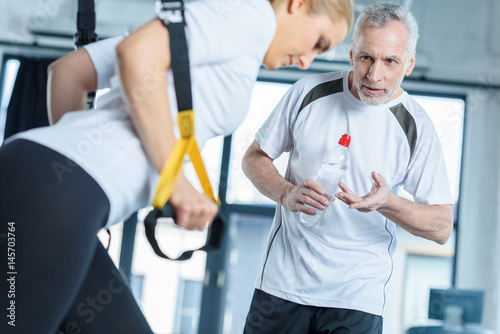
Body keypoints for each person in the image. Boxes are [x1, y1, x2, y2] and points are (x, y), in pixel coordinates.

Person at [0, 0, 353, 333]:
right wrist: (176, 184)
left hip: (53, 189)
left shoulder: (223, 32)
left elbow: (69, 72)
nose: (308, 61)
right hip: (53, 192)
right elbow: (135, 54)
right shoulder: (253, 16)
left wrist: (72, 168)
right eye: (319, 42)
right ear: (298, 4)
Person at [242, 2, 454, 333]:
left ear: (409, 64)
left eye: (390, 61)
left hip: (356, 300)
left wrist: (388, 203)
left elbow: (442, 227)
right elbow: (254, 157)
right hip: (282, 287)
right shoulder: (307, 92)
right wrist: (286, 192)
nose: (374, 74)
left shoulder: (417, 126)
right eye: (367, 57)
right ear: (351, 53)